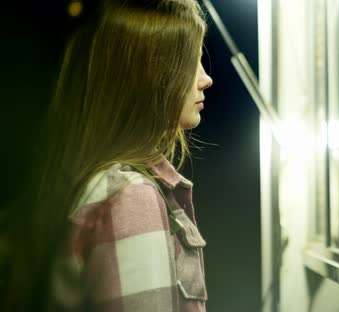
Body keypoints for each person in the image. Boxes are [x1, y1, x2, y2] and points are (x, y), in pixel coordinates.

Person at [1, 0, 213, 311]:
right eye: (190, 62)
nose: (205, 78)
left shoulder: (84, 179)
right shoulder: (130, 198)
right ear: (150, 75)